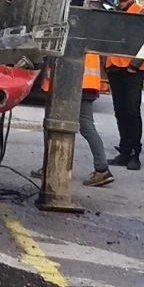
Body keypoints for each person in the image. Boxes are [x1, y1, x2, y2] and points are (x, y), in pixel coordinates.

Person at [34, 51, 114, 187]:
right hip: (87, 84)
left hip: (69, 83)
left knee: (54, 123)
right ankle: (102, 169)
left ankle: (51, 166)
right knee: (87, 127)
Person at [106, 0, 144, 171]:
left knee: (132, 111)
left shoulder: (141, 12)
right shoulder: (113, 12)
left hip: (132, 70)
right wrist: (106, 66)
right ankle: (124, 151)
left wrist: (135, 65)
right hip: (115, 68)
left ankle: (134, 154)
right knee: (120, 112)